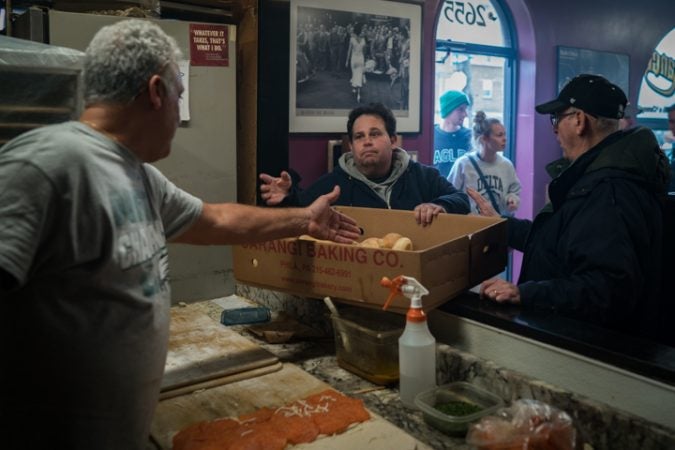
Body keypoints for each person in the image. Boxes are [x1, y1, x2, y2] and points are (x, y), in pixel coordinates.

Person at [0, 19, 360, 450]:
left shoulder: (139, 175)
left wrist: (305, 220)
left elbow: (216, 220)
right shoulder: (47, 164)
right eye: (179, 96)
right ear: (156, 92)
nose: (177, 111)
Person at [467, 74, 670, 340]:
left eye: (557, 118)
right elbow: (558, 243)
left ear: (579, 121)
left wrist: (525, 293)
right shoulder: (597, 177)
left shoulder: (608, 190)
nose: (553, 129)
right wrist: (501, 225)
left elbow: (607, 289)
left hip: (592, 354)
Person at [260, 102, 470, 227]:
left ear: (393, 140)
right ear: (351, 146)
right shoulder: (334, 184)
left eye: (375, 134)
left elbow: (461, 200)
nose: (367, 141)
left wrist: (439, 206)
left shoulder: (423, 176)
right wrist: (287, 196)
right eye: (359, 137)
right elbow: (302, 210)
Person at [448, 111, 521, 216]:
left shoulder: (507, 165)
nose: (505, 139)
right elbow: (450, 194)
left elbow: (514, 191)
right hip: (471, 225)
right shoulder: (463, 164)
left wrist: (512, 199)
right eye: (499, 135)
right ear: (484, 138)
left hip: (498, 224)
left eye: (505, 134)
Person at [433, 89, 472, 178]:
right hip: (438, 190)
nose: (465, 114)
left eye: (465, 109)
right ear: (448, 110)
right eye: (460, 109)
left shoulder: (469, 136)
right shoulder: (431, 135)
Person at [346, 24, 367, 103]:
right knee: (359, 75)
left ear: (355, 31)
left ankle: (355, 89)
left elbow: (349, 51)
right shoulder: (363, 40)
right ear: (360, 30)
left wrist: (347, 60)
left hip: (354, 59)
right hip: (361, 58)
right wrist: (364, 61)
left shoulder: (352, 39)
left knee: (354, 74)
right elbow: (364, 52)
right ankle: (357, 91)